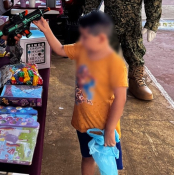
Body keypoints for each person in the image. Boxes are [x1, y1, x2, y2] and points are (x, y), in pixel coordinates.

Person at [33, 11, 127, 175]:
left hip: (105, 126)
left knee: (109, 164)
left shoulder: (115, 63)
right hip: (83, 122)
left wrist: (111, 129)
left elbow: (121, 98)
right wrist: (46, 29)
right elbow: (60, 49)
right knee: (87, 158)